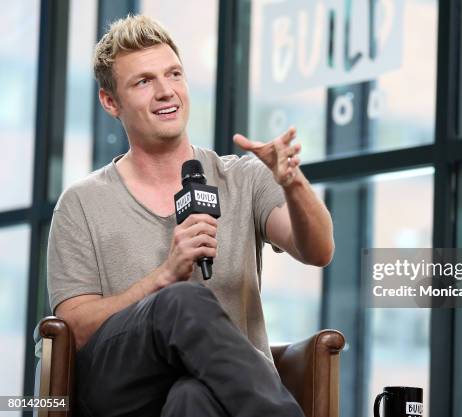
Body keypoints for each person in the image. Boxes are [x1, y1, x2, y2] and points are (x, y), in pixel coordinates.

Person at [46, 14, 334, 417]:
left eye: (174, 74)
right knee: (180, 300)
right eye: (144, 81)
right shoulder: (81, 202)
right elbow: (73, 332)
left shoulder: (243, 177)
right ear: (111, 102)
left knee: (191, 398)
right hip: (123, 393)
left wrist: (294, 184)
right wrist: (164, 277)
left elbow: (319, 250)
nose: (166, 92)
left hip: (220, 397)